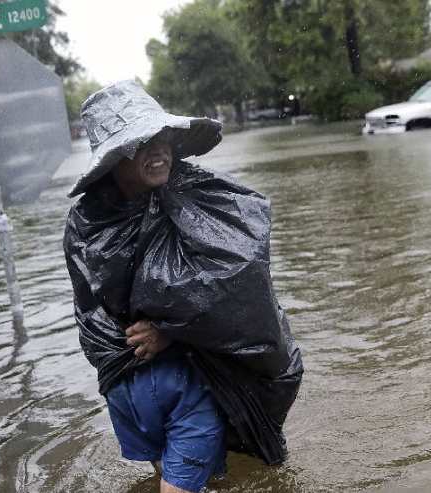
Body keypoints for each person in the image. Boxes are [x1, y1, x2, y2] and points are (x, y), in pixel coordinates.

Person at [63, 80, 303, 493]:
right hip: (131, 392)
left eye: (163, 136)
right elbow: (93, 317)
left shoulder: (200, 193)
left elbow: (240, 282)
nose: (158, 148)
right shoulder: (85, 224)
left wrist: (170, 331)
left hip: (189, 385)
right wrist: (133, 352)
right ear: (112, 159)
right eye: (143, 141)